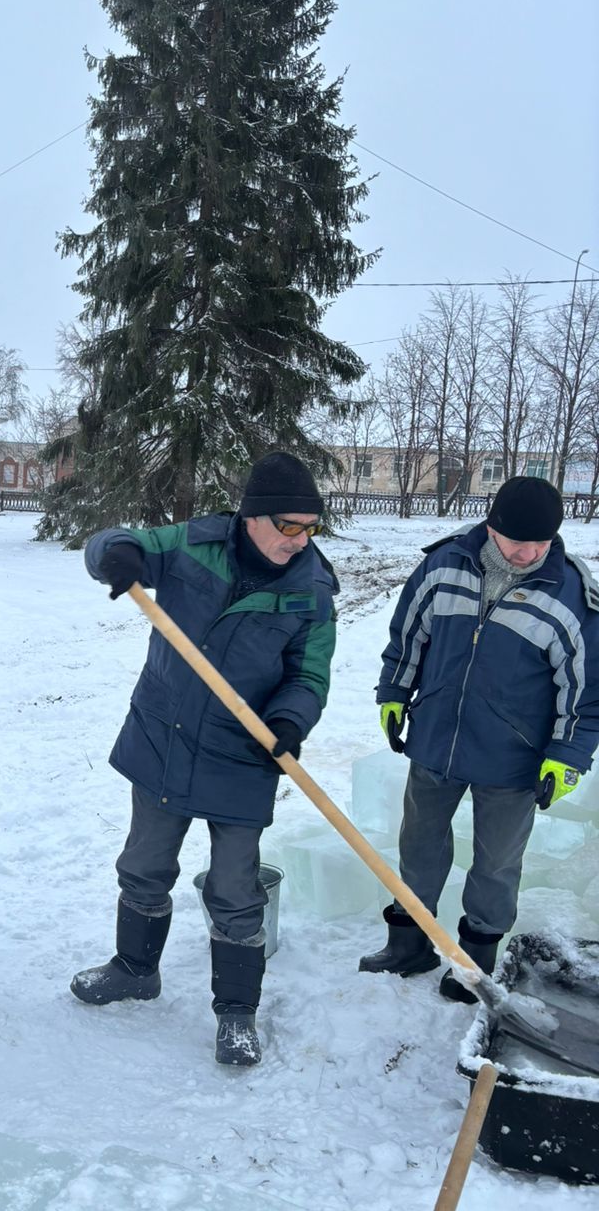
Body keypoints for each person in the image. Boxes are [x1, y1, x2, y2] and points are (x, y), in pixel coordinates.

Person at [70, 452, 337, 1066]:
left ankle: (237, 1011)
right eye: (289, 526)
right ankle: (135, 969)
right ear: (254, 517)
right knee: (143, 862)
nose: (299, 541)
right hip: (163, 733)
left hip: (244, 750)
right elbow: (113, 543)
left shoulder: (312, 591)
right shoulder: (195, 544)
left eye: (309, 528)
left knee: (235, 886)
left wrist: (291, 719)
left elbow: (309, 673)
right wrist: (118, 554)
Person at [362, 476, 599, 1000]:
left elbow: (584, 696)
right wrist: (394, 694)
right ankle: (408, 944)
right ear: (491, 528)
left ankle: (473, 964)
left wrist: (566, 757)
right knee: (419, 845)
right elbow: (407, 638)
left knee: (495, 865)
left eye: (541, 542)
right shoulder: (444, 565)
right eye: (518, 541)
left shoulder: (571, 596)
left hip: (515, 760)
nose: (529, 552)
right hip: (435, 739)